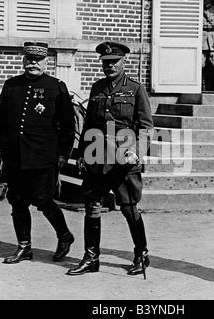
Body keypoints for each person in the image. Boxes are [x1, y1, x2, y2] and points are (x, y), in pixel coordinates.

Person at [0, 41, 76, 264]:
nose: (33, 63)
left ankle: (65, 235)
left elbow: (67, 125)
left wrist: (64, 154)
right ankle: (24, 247)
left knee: (43, 200)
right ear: (24, 60)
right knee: (17, 202)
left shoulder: (56, 86)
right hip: (15, 156)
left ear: (46, 62)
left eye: (38, 60)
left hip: (43, 157)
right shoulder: (12, 85)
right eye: (29, 59)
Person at [66, 41, 154, 276]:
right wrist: (84, 153)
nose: (109, 66)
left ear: (124, 62)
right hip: (97, 157)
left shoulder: (136, 90)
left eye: (114, 62)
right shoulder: (97, 88)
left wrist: (138, 150)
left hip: (124, 158)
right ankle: (91, 258)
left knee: (128, 208)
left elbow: (146, 127)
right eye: (105, 62)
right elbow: (90, 125)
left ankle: (141, 254)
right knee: (92, 206)